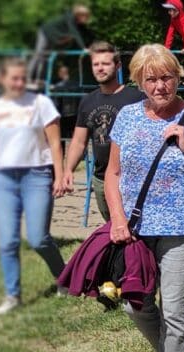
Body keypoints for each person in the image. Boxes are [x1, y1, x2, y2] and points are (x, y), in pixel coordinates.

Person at [105, 44, 184, 352]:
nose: (160, 86)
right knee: (135, 304)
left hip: (182, 230)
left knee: (174, 312)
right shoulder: (128, 116)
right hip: (136, 230)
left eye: (167, 77)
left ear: (178, 77)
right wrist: (118, 220)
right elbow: (113, 173)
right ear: (139, 82)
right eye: (151, 79)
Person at [0, 58, 67, 314]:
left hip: (36, 176)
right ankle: (12, 295)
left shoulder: (41, 104)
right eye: (13, 78)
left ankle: (64, 278)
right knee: (7, 241)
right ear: (1, 79)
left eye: (21, 78)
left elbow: (55, 143)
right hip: (4, 180)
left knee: (38, 238)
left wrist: (59, 175)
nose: (18, 83)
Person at [63, 41, 145, 221]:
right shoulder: (87, 101)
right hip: (101, 180)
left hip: (132, 178)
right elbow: (78, 141)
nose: (100, 68)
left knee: (137, 232)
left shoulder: (137, 98)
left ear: (117, 66)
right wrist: (68, 169)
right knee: (114, 231)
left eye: (105, 63)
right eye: (96, 64)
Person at [27, 4, 93, 87]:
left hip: (55, 36)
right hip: (46, 32)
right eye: (85, 16)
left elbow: (86, 33)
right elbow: (75, 33)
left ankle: (39, 80)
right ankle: (27, 78)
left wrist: (92, 47)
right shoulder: (70, 18)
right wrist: (83, 48)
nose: (86, 19)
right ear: (79, 15)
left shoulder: (78, 22)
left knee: (45, 57)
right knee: (38, 55)